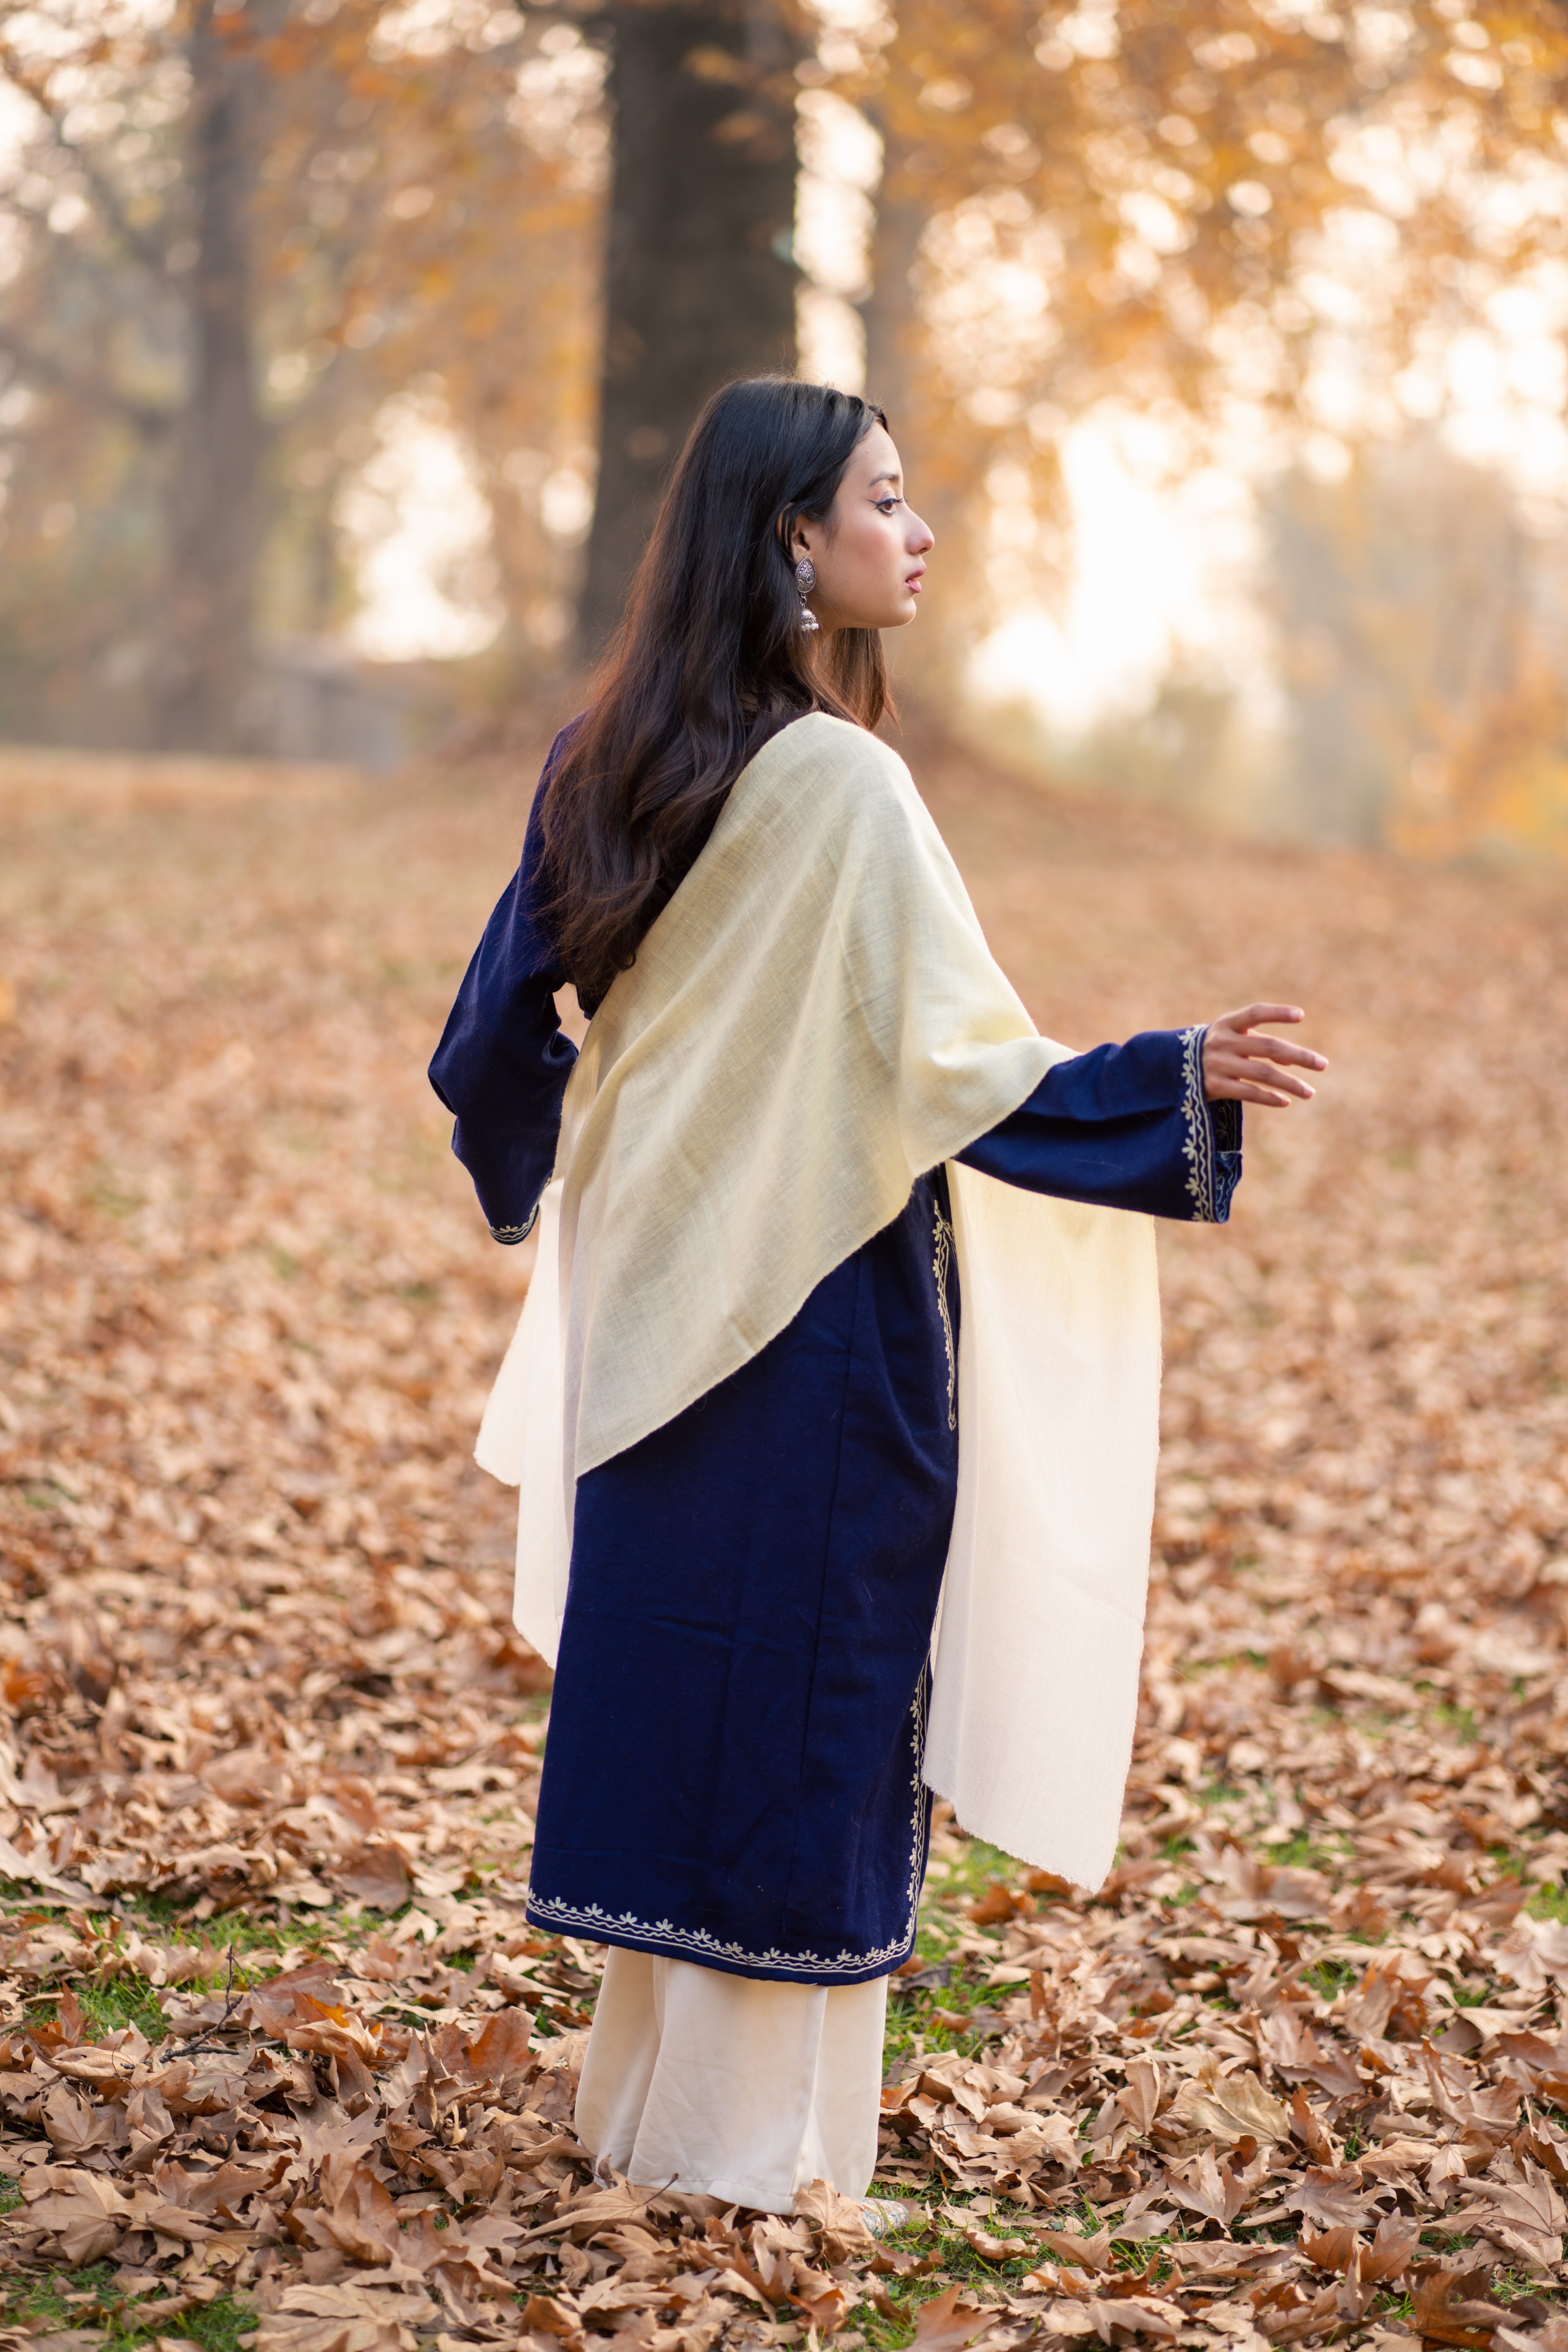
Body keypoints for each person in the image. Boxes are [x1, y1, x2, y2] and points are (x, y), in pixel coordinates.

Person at [429, 376, 1324, 2223]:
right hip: (822, 1312)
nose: (917, 535)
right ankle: (752, 2157)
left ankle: (650, 2119)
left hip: (652, 1300)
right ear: (794, 536)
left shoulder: (603, 752)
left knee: (691, 1686)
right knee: (801, 1700)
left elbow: (492, 1042)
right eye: (887, 501)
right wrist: (1173, 1080)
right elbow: (966, 1073)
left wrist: (590, 1166)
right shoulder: (843, 782)